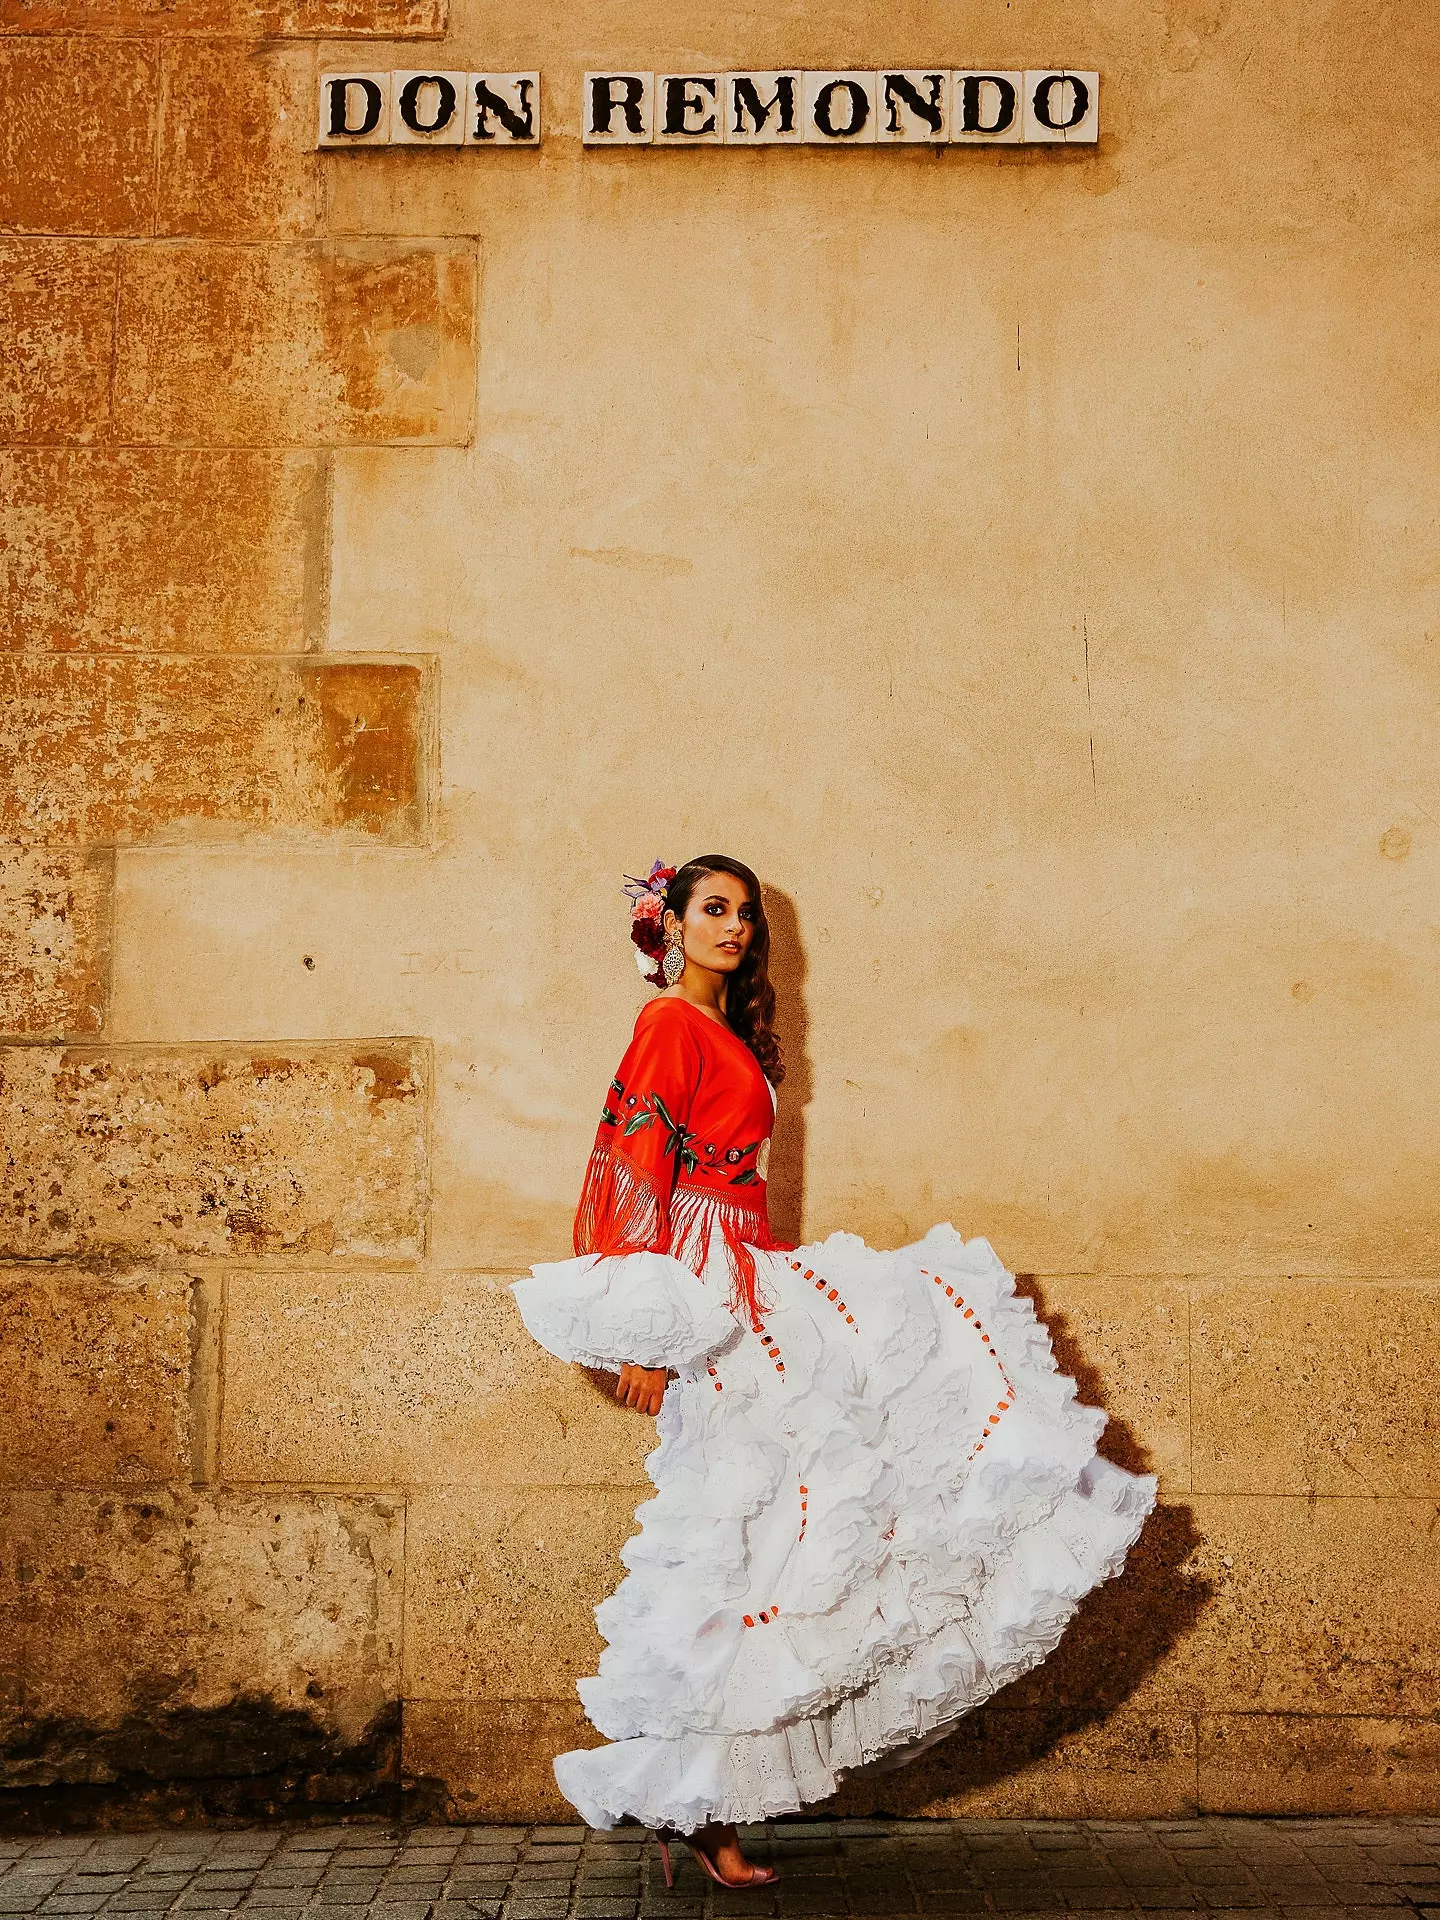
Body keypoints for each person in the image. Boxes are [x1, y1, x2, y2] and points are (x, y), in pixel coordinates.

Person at [513, 855, 1156, 1887]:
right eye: (712, 910)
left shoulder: (730, 1034)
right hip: (712, 1294)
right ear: (670, 925)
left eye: (745, 916)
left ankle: (706, 1803)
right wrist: (643, 1333)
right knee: (742, 1539)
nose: (733, 928)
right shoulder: (669, 1025)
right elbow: (631, 1168)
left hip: (759, 1281)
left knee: (795, 1519)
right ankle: (701, 1802)